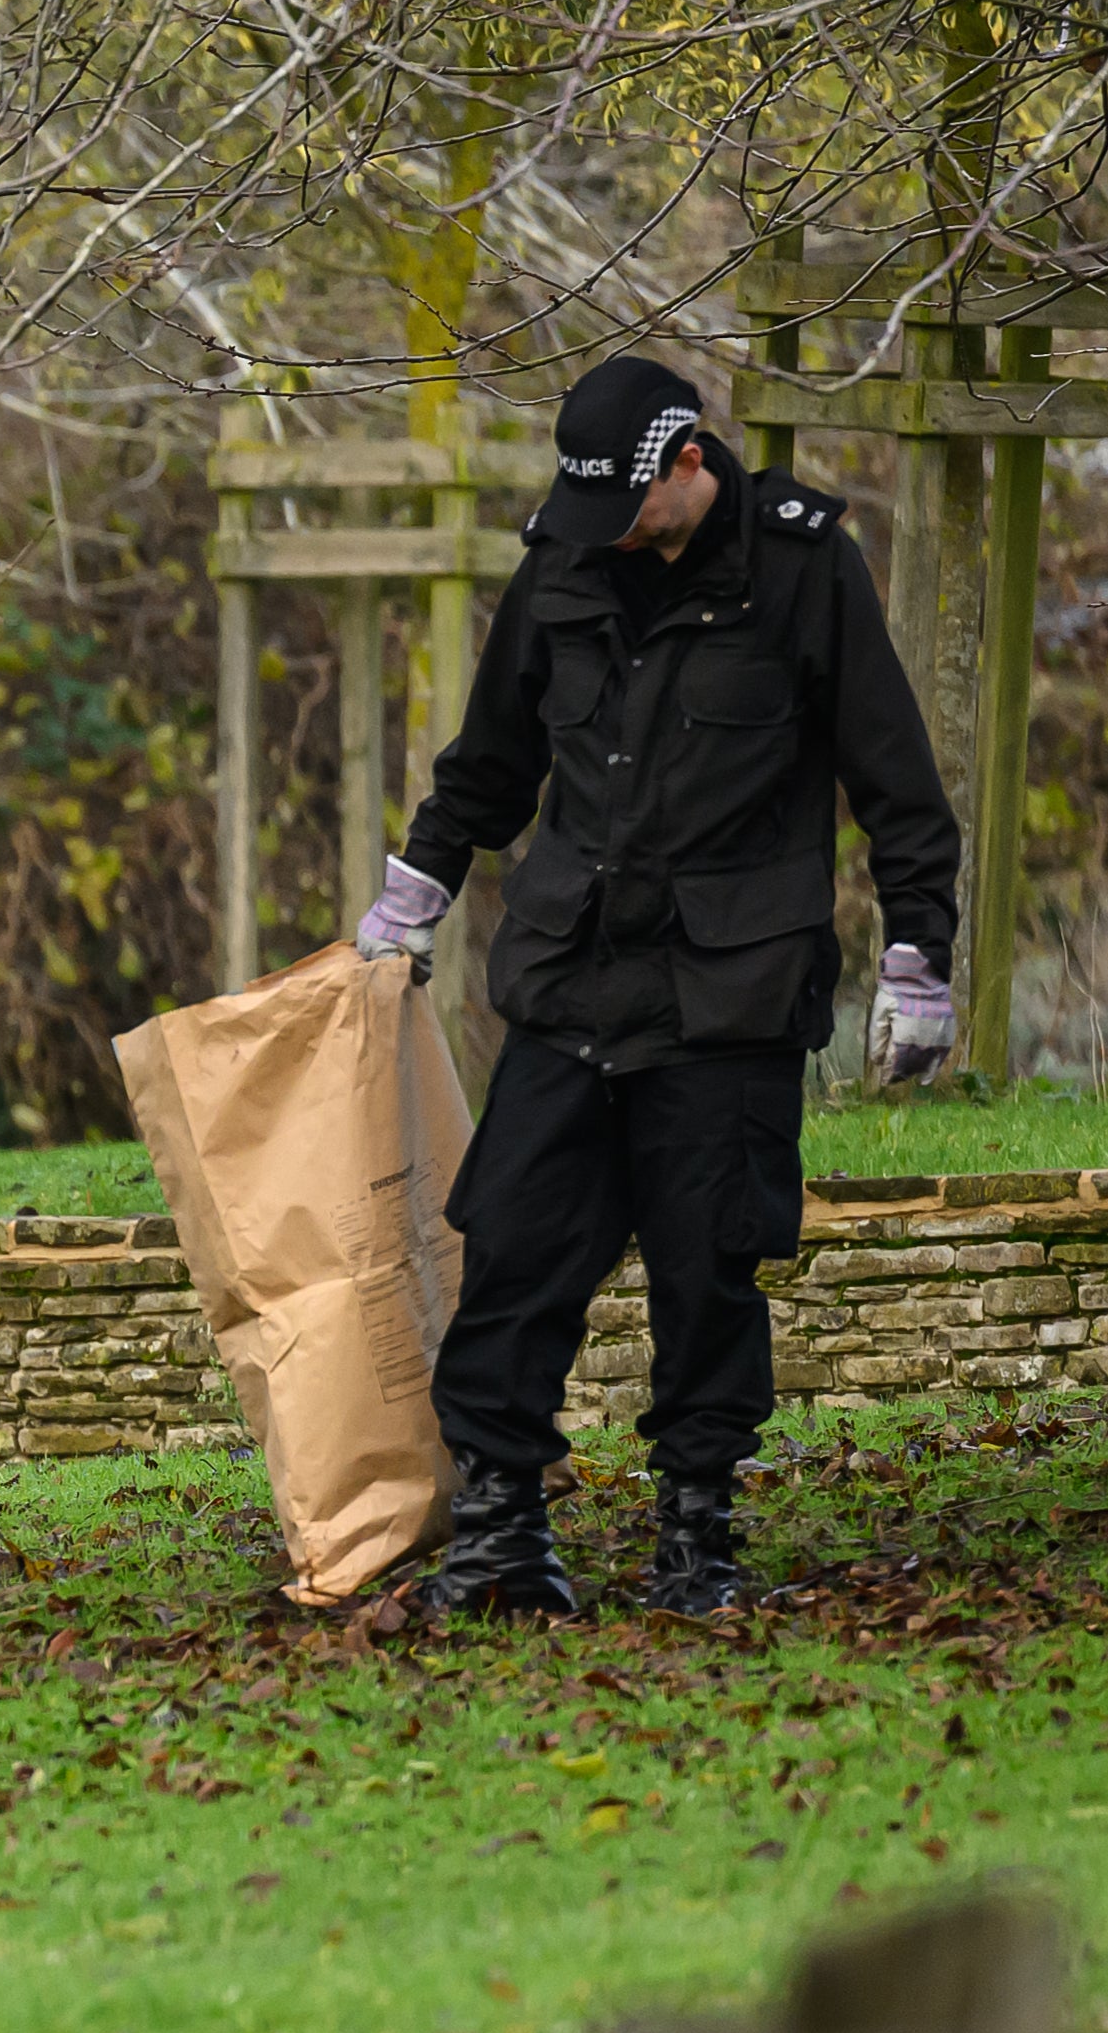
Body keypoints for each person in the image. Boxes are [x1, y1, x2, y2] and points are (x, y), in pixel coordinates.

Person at [356, 354, 961, 1617]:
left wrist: (919, 955)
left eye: (629, 505)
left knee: (707, 1265)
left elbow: (893, 775)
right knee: (513, 1242)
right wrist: (414, 890)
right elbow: (491, 757)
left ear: (689, 462)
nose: (610, 533)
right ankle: (502, 1532)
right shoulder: (568, 559)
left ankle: (698, 1531)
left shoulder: (801, 567)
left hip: (727, 993)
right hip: (572, 977)